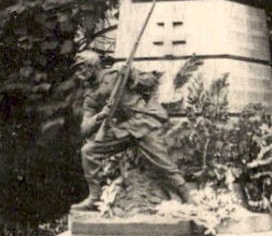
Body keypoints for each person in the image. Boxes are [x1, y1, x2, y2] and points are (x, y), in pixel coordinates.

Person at [70, 50, 191, 211]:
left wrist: (132, 75)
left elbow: (151, 81)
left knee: (163, 163)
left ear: (93, 66)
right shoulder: (91, 94)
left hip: (143, 121)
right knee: (88, 151)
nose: (79, 74)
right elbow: (85, 128)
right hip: (122, 129)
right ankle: (95, 197)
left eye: (81, 68)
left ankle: (188, 198)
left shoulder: (116, 75)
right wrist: (100, 116)